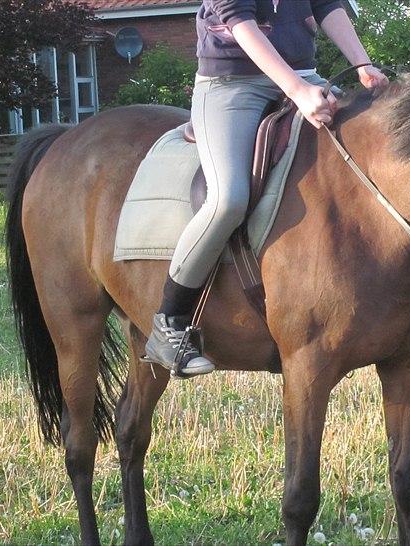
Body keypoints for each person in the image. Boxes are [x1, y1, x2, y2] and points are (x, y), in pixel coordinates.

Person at [143, 0, 389, 376]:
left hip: (307, 77)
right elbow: (240, 22)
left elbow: (326, 6)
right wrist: (297, 91)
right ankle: (169, 321)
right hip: (233, 85)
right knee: (228, 199)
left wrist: (362, 64)